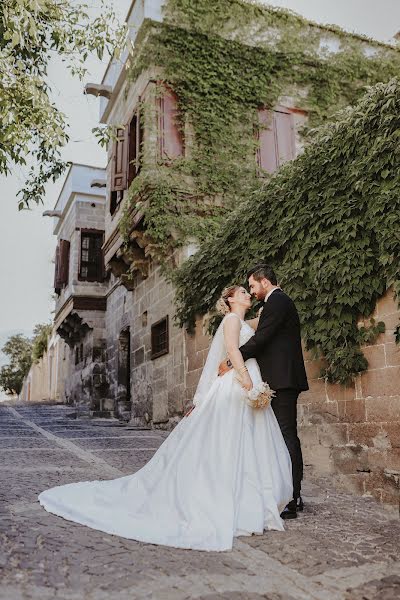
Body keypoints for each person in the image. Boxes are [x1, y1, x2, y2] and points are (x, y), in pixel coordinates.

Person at [38, 285, 292, 552]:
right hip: (237, 383)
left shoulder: (242, 321)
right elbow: (232, 350)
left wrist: (274, 294)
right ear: (229, 299)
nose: (247, 294)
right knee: (229, 441)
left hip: (244, 381)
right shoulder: (230, 320)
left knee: (249, 441)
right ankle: (232, 500)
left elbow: (263, 321)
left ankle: (251, 500)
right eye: (242, 291)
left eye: (248, 290)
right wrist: (248, 381)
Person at [219, 265, 309, 519]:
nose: (252, 291)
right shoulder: (273, 304)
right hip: (277, 380)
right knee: (279, 436)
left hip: (282, 380)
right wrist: (233, 321)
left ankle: (293, 496)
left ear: (265, 282)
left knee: (286, 435)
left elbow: (262, 339)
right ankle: (287, 492)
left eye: (253, 285)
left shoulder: (277, 301)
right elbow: (251, 327)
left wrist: (230, 361)